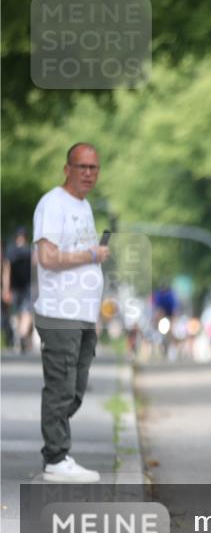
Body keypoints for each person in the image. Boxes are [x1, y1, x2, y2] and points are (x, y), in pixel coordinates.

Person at [31, 142, 109, 482]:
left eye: (94, 168)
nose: (88, 173)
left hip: (82, 314)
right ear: (67, 169)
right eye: (82, 167)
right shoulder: (53, 204)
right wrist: (91, 255)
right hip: (59, 313)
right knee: (61, 388)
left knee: (75, 390)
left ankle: (58, 452)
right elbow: (48, 258)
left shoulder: (84, 206)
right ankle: (56, 458)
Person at [2, 226, 35, 353]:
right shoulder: (29, 250)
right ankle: (22, 335)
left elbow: (6, 271)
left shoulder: (11, 252)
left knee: (19, 313)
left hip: (15, 288)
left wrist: (6, 289)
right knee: (26, 312)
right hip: (27, 287)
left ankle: (21, 335)